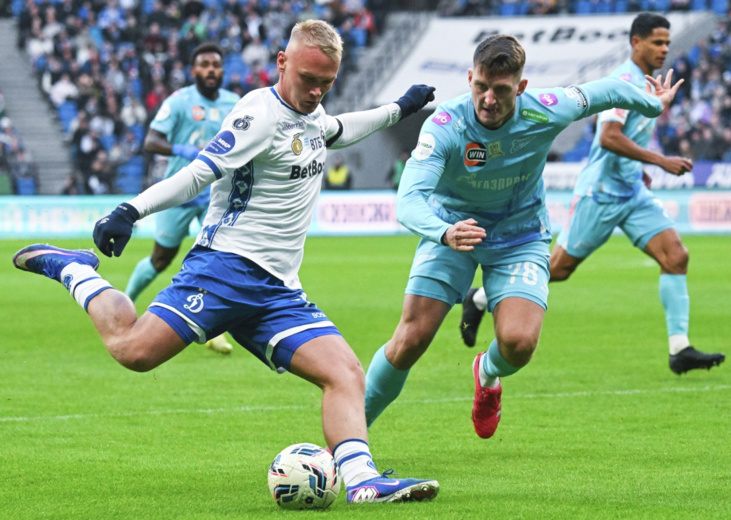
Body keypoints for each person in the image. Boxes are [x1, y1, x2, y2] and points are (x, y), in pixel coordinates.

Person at [13, 20, 438, 505]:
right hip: (224, 269)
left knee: (345, 373)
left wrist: (399, 108)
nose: (316, 92)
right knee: (133, 351)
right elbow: (198, 173)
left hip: (278, 290)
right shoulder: (258, 115)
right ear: (282, 62)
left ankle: (363, 482)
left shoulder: (312, 114)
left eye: (326, 82)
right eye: (307, 79)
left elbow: (338, 129)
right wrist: (130, 210)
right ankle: (73, 269)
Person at [363, 30, 685, 440]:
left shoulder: (546, 108)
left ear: (521, 87)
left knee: (518, 344)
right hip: (455, 230)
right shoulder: (444, 125)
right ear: (469, 78)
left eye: (501, 90)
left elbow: (606, 91)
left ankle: (488, 372)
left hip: (520, 236)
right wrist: (444, 232)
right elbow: (408, 200)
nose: (489, 100)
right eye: (481, 86)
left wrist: (652, 104)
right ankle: (350, 438)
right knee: (409, 340)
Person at [457, 14, 725, 379]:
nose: (664, 49)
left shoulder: (646, 83)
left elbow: (629, 136)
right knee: (559, 269)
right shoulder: (622, 82)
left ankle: (680, 349)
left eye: (667, 42)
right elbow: (609, 136)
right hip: (601, 193)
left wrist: (640, 167)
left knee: (676, 256)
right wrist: (660, 160)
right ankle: (479, 298)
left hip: (632, 191)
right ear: (636, 43)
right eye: (657, 42)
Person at [125, 42, 240, 354]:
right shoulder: (179, 101)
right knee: (160, 259)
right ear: (193, 71)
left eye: (216, 65)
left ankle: (215, 330)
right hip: (179, 192)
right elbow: (151, 141)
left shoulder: (236, 104)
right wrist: (182, 150)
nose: (211, 70)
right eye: (204, 65)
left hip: (217, 195)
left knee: (220, 260)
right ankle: (126, 302)